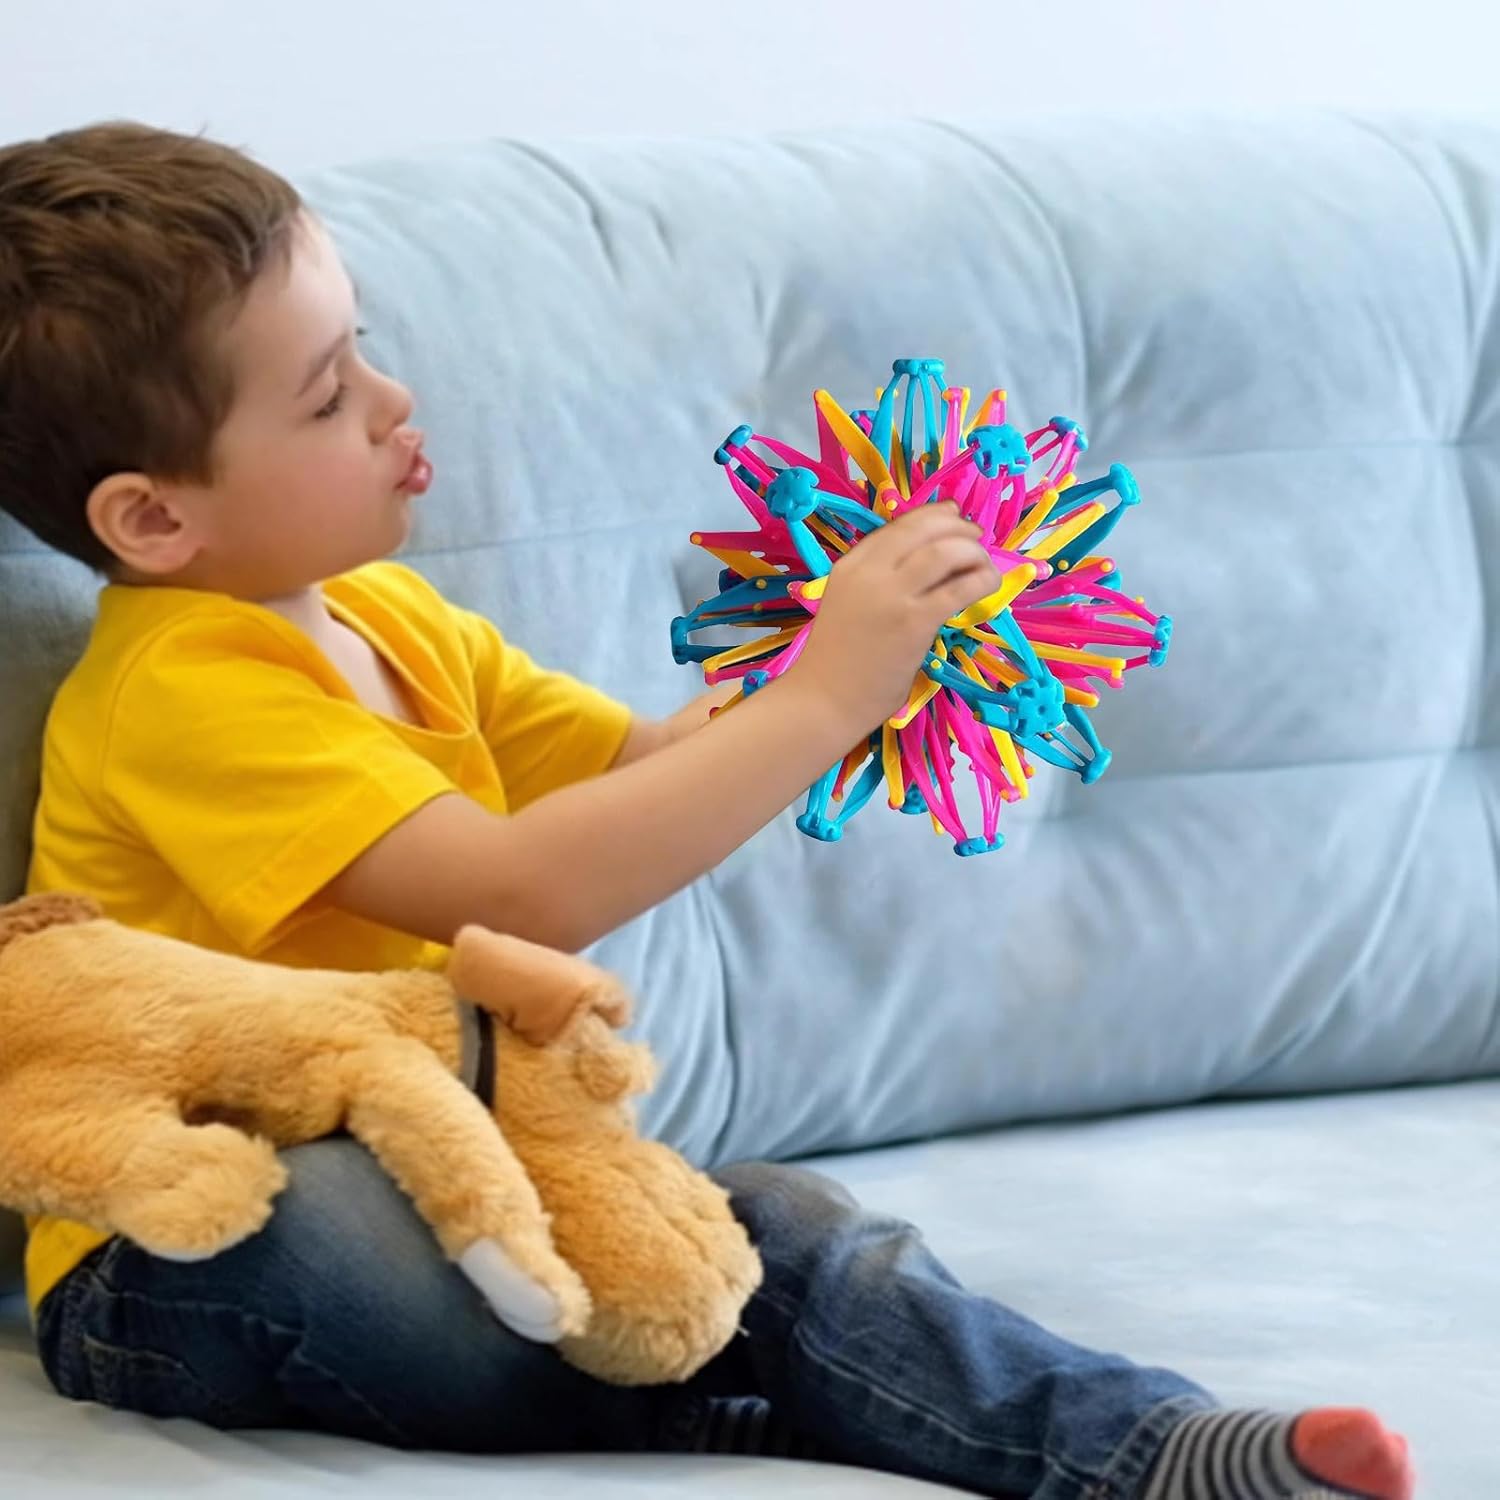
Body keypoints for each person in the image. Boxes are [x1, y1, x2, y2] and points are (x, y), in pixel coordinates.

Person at [0, 122, 1412, 1500]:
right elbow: (522, 891)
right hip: (172, 1256)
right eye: (325, 396)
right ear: (151, 522)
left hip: (480, 1182)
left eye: (366, 342)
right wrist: (822, 702)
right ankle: (717, 1391)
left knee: (776, 1229)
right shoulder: (181, 694)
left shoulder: (384, 612)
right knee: (325, 1227)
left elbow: (643, 764)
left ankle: (1150, 1449)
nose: (392, 402)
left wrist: (848, 641)